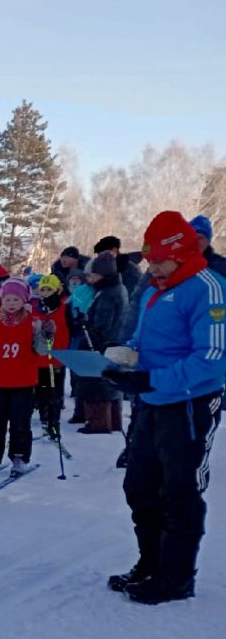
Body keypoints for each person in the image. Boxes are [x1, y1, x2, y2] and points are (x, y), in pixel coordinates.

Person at [102, 211, 226, 604]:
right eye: (150, 259)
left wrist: (153, 379)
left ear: (184, 253)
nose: (151, 267)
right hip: (151, 401)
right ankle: (150, 563)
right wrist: (123, 362)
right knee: (139, 485)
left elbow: (212, 357)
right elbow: (141, 340)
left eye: (159, 260)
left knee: (180, 489)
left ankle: (175, 577)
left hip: (190, 403)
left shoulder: (208, 288)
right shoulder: (158, 289)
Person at [0, 277, 52, 475]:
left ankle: (19, 456)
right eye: (7, 300)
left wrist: (47, 336)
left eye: (16, 300)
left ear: (24, 301)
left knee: (20, 421)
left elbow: (41, 350)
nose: (11, 304)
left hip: (24, 381)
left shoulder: (33, 323)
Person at [77, 250, 128, 434]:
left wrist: (88, 333)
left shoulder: (107, 293)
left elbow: (102, 323)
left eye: (93, 274)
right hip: (115, 342)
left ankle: (98, 423)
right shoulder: (118, 288)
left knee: (96, 385)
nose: (90, 279)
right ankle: (113, 420)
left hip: (102, 344)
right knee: (112, 384)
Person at [33, 273, 71, 439]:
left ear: (57, 290)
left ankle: (54, 426)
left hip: (57, 358)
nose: (46, 292)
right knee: (42, 392)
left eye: (49, 289)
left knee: (55, 395)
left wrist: (79, 321)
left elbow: (73, 328)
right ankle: (44, 419)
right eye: (43, 289)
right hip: (40, 358)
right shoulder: (37, 308)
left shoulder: (64, 307)